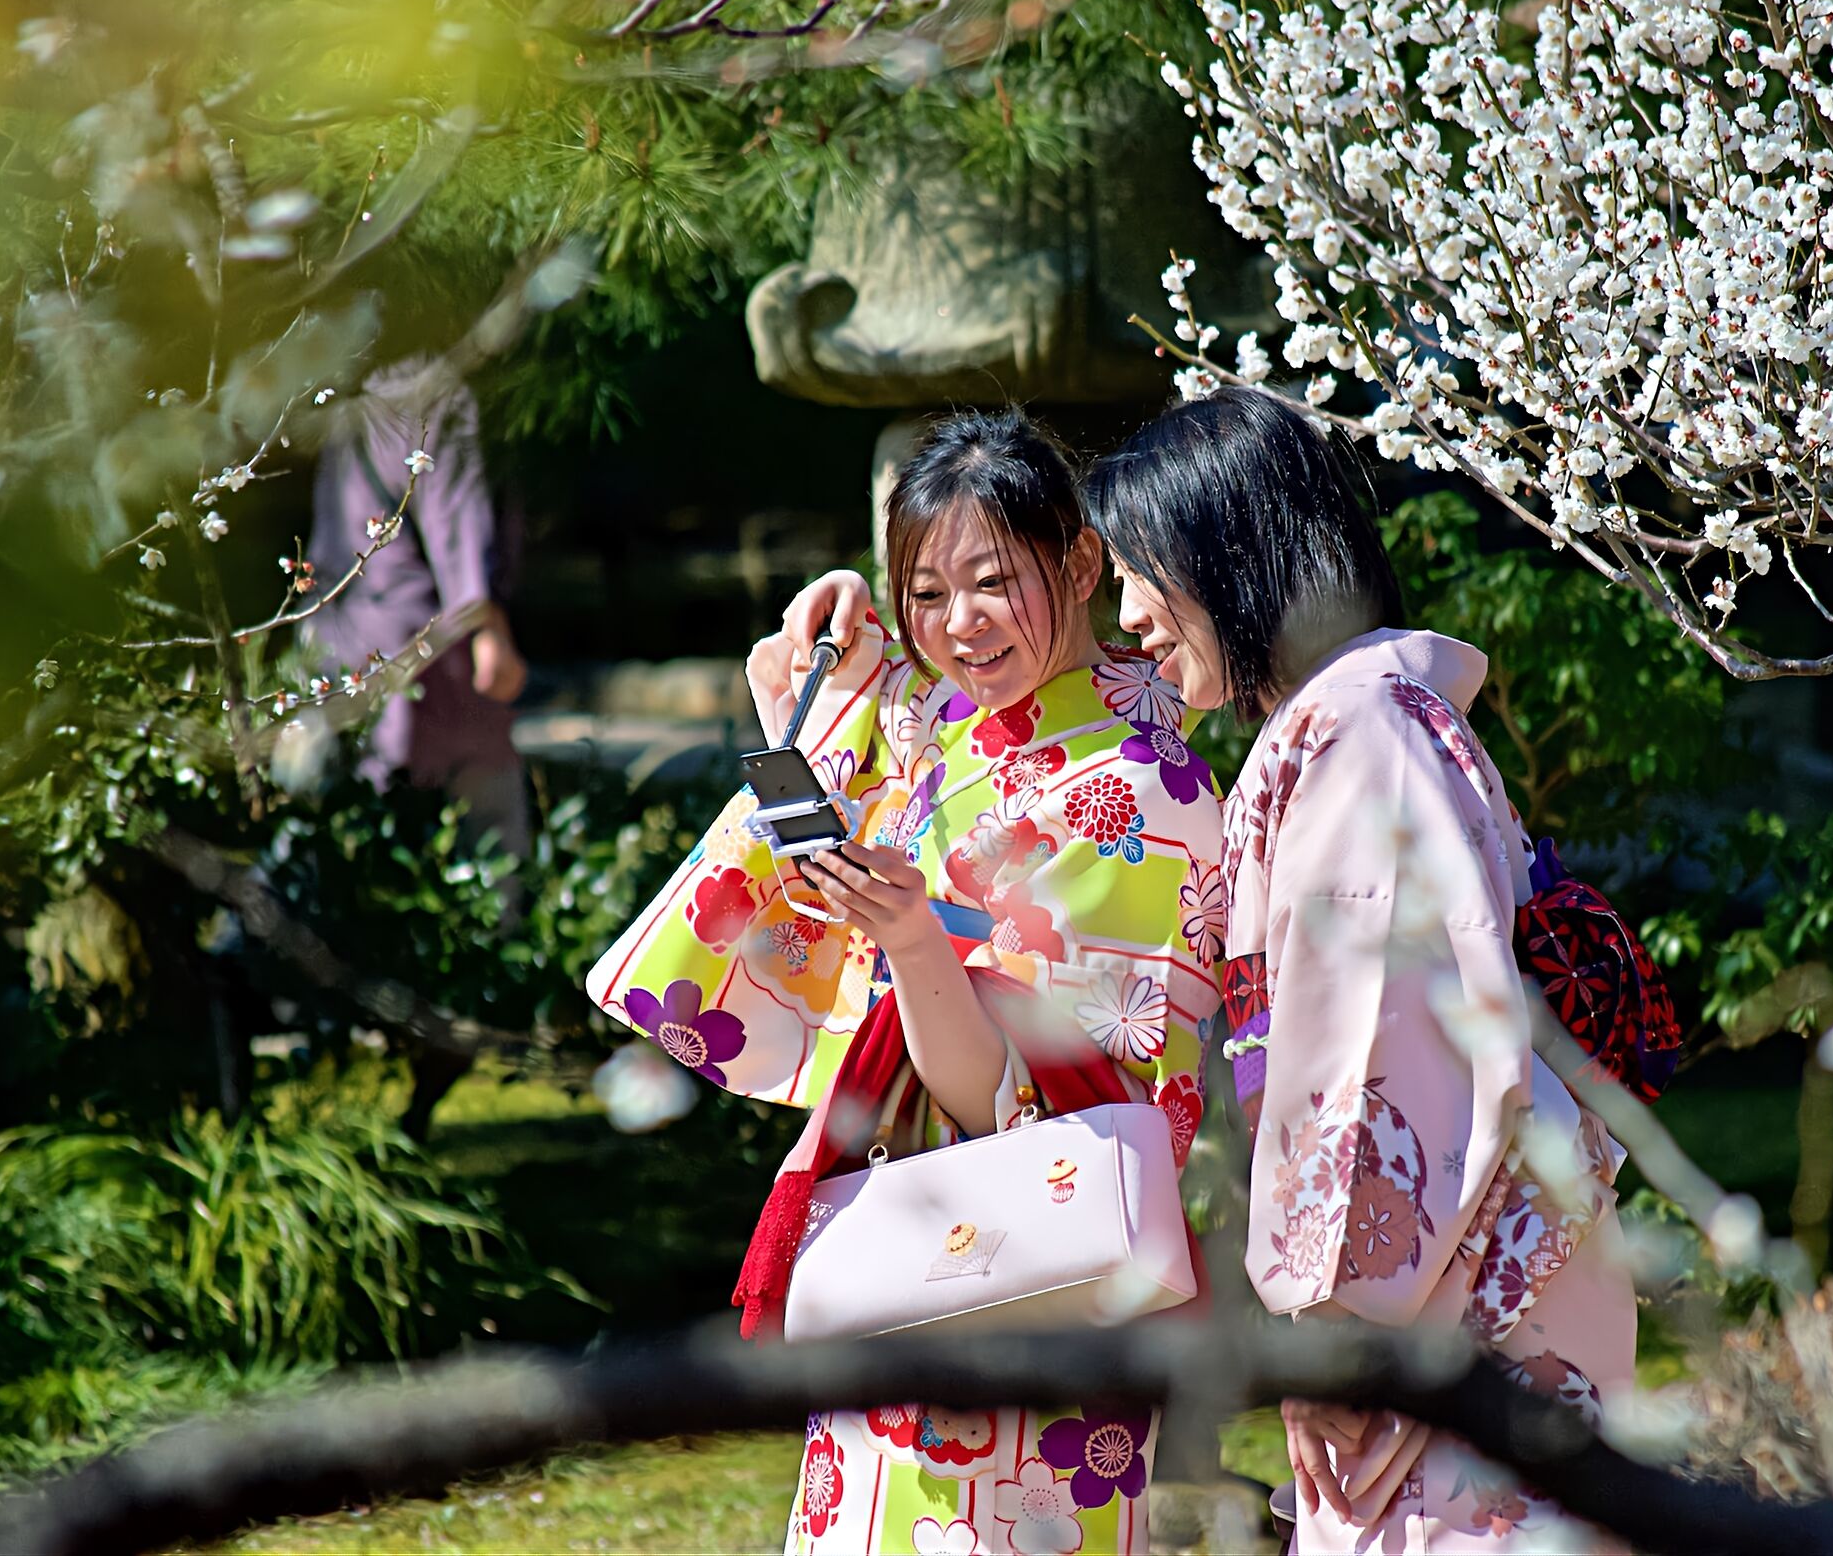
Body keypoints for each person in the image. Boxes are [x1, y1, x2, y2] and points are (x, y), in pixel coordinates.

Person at [590, 411, 1223, 1555]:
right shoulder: (946, 729)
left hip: (1043, 1280)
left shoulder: (1140, 792)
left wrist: (919, 947)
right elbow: (859, 681)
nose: (959, 628)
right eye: (927, 596)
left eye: (992, 584)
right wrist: (838, 601)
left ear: (1081, 563)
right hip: (895, 1262)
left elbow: (1031, 1110)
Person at [1086, 386, 1636, 1553]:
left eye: (1143, 569)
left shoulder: (1362, 739)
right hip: (1448, 1269)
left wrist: (1338, 1329)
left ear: (1229, 549)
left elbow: (1375, 1049)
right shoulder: (1349, 729)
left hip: (1444, 1288)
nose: (1127, 612)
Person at [306, 358, 530, 1138]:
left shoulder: (355, 399)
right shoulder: (436, 394)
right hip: (432, 663)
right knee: (489, 866)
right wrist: (491, 630)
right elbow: (457, 517)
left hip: (350, 662)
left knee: (383, 858)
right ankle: (456, 1035)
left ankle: (398, 1074)